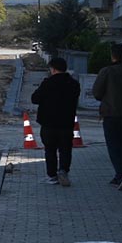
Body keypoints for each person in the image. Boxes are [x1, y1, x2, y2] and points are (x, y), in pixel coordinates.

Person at [30, 57, 81, 186]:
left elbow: (35, 99)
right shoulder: (74, 84)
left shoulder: (48, 83)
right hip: (67, 122)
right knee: (65, 149)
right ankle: (63, 171)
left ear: (53, 69)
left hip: (49, 123)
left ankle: (52, 176)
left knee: (50, 149)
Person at [92, 43, 122, 190]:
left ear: (113, 56)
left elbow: (97, 93)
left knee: (114, 145)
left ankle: (120, 174)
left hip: (112, 114)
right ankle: (120, 174)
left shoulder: (107, 71)